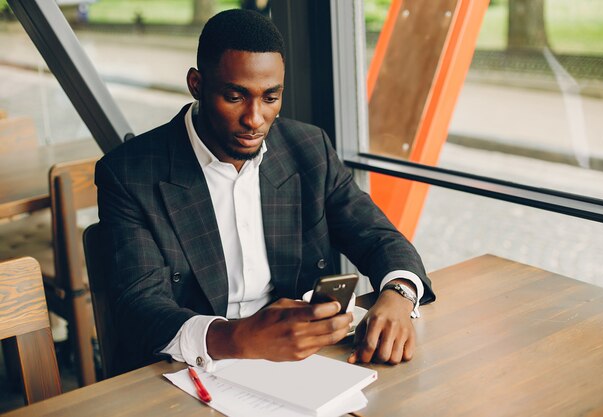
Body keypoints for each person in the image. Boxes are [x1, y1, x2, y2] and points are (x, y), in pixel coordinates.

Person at [96, 9, 435, 375]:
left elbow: (376, 235)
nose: (255, 119)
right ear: (197, 84)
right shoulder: (130, 172)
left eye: (270, 98)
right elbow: (139, 306)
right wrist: (237, 338)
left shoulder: (307, 147)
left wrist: (399, 294)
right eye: (235, 97)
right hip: (186, 369)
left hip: (302, 364)